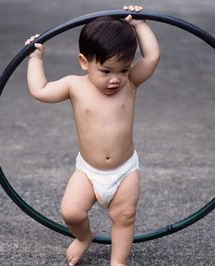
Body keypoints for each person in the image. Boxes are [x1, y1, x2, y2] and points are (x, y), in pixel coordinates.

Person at [25, 5, 160, 266]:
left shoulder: (131, 82)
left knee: (125, 216)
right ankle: (84, 237)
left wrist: (141, 25)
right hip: (88, 171)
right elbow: (40, 91)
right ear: (85, 62)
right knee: (71, 212)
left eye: (122, 69)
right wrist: (35, 59)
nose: (115, 79)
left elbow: (152, 57)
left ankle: (118, 262)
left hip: (125, 171)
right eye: (107, 71)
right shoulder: (74, 86)